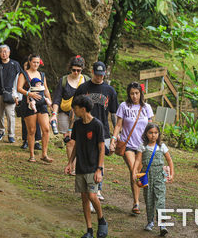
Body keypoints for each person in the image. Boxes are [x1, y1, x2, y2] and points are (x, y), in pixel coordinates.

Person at [73, 61, 118, 201]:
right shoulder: (83, 87)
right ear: (92, 72)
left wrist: (115, 135)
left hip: (103, 129)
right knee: (87, 156)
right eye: (97, 74)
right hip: (85, 127)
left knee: (101, 157)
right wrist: (71, 127)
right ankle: (88, 187)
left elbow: (113, 113)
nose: (99, 77)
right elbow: (74, 109)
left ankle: (98, 188)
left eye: (102, 75)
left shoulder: (110, 90)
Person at [64, 96, 108, 238]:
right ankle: (89, 230)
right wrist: (70, 162)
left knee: (92, 196)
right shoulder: (77, 125)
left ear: (83, 109)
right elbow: (76, 145)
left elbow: (102, 148)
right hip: (81, 167)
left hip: (93, 167)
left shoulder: (97, 125)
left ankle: (101, 220)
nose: (74, 111)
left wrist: (99, 169)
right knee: (84, 198)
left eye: (75, 108)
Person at [109, 82, 154, 215]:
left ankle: (139, 199)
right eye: (132, 93)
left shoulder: (146, 107)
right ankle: (136, 202)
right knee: (134, 168)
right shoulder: (124, 106)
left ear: (141, 94)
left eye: (137, 93)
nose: (134, 96)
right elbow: (118, 125)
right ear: (129, 94)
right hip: (127, 144)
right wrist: (113, 139)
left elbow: (151, 127)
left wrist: (153, 143)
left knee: (138, 171)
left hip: (142, 146)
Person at [133, 123, 175, 236]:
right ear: (146, 134)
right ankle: (150, 221)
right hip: (147, 177)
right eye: (150, 133)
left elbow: (170, 161)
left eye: (156, 133)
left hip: (159, 178)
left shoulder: (162, 147)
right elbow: (137, 161)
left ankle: (162, 225)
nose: (153, 135)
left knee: (160, 200)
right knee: (149, 199)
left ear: (159, 134)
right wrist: (134, 172)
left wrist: (171, 174)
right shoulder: (142, 146)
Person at [50, 55, 91, 170]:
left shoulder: (86, 80)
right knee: (69, 141)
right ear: (70, 69)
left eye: (79, 70)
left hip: (80, 115)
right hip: (65, 113)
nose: (76, 72)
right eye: (74, 70)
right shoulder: (63, 81)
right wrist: (54, 114)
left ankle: (78, 165)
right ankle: (72, 167)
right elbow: (57, 99)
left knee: (80, 141)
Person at [17, 54, 53, 163]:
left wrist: (50, 102)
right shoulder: (24, 74)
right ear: (29, 62)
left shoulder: (42, 74)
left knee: (46, 128)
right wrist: (29, 94)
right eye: (34, 62)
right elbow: (19, 88)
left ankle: (44, 154)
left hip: (41, 103)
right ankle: (32, 155)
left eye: (38, 62)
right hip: (29, 103)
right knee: (32, 130)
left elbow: (46, 89)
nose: (36, 64)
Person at [0, 44, 22, 143]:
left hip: (11, 93)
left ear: (9, 52)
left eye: (6, 51)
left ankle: (11, 135)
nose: (4, 53)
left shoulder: (15, 64)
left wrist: (18, 95)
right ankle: (1, 131)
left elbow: (20, 78)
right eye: (2, 51)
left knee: (10, 114)